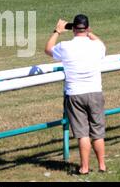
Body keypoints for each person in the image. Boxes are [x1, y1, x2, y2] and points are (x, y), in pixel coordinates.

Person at [45, 14, 107, 175]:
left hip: (75, 94)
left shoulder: (65, 46)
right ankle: (102, 165)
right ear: (87, 29)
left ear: (73, 29)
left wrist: (57, 31)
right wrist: (89, 32)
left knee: (82, 134)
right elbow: (100, 43)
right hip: (95, 91)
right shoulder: (97, 46)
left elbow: (48, 49)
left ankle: (84, 167)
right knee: (97, 132)